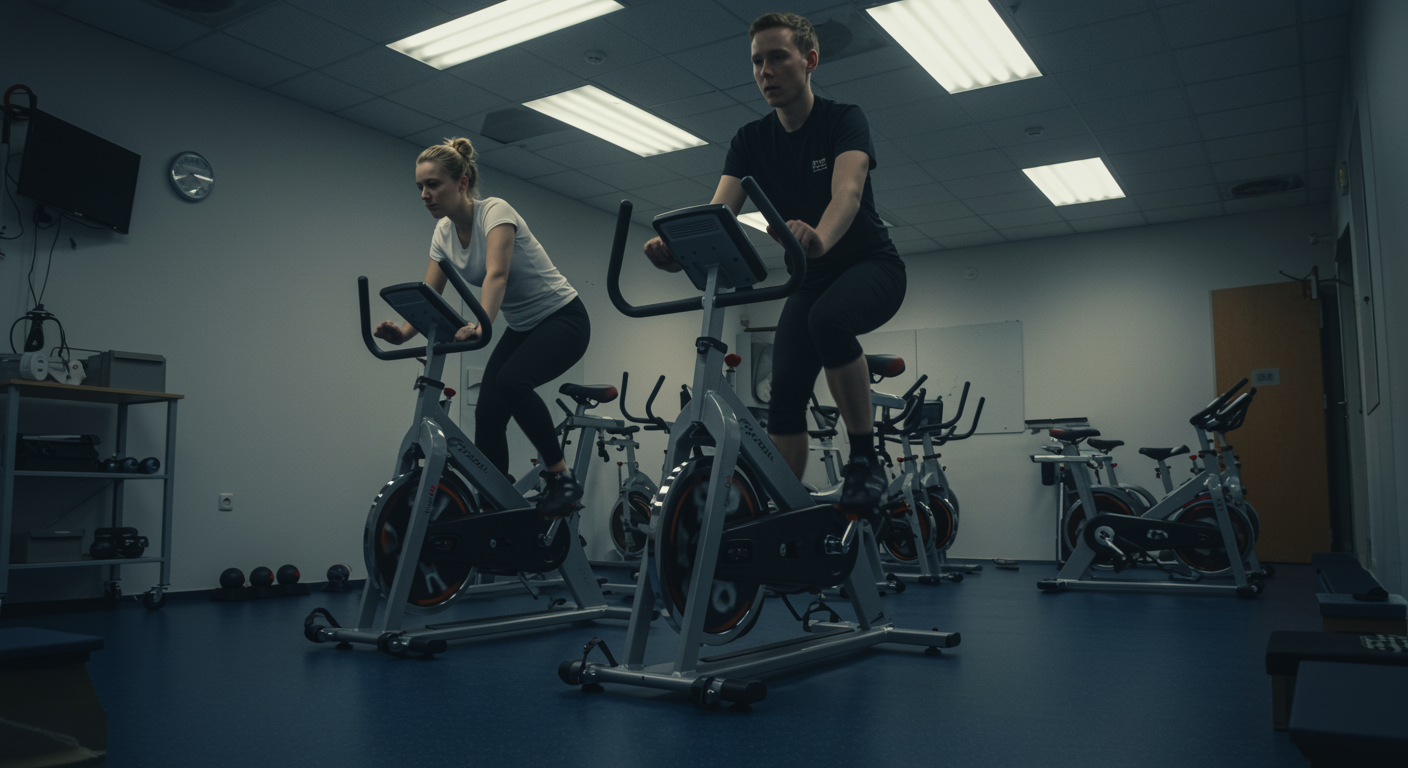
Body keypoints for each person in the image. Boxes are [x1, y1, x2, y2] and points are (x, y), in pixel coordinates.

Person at [643, 12, 905, 514]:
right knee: (783, 391)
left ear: (809, 61)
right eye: (757, 61)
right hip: (810, 277)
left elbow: (847, 192)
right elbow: (718, 215)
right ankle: (781, 512)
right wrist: (681, 251)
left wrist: (822, 238)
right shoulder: (750, 140)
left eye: (778, 57)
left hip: (872, 266)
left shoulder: (843, 118)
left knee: (828, 321)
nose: (766, 70)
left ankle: (865, 459)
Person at [376, 137, 590, 517]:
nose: (425, 194)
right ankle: (497, 494)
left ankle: (562, 478)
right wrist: (405, 332)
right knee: (489, 409)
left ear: (461, 183)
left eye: (433, 184)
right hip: (524, 326)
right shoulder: (443, 232)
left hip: (564, 318)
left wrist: (481, 324)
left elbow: (498, 274)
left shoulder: (496, 211)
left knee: (511, 383)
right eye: (420, 187)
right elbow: (430, 292)